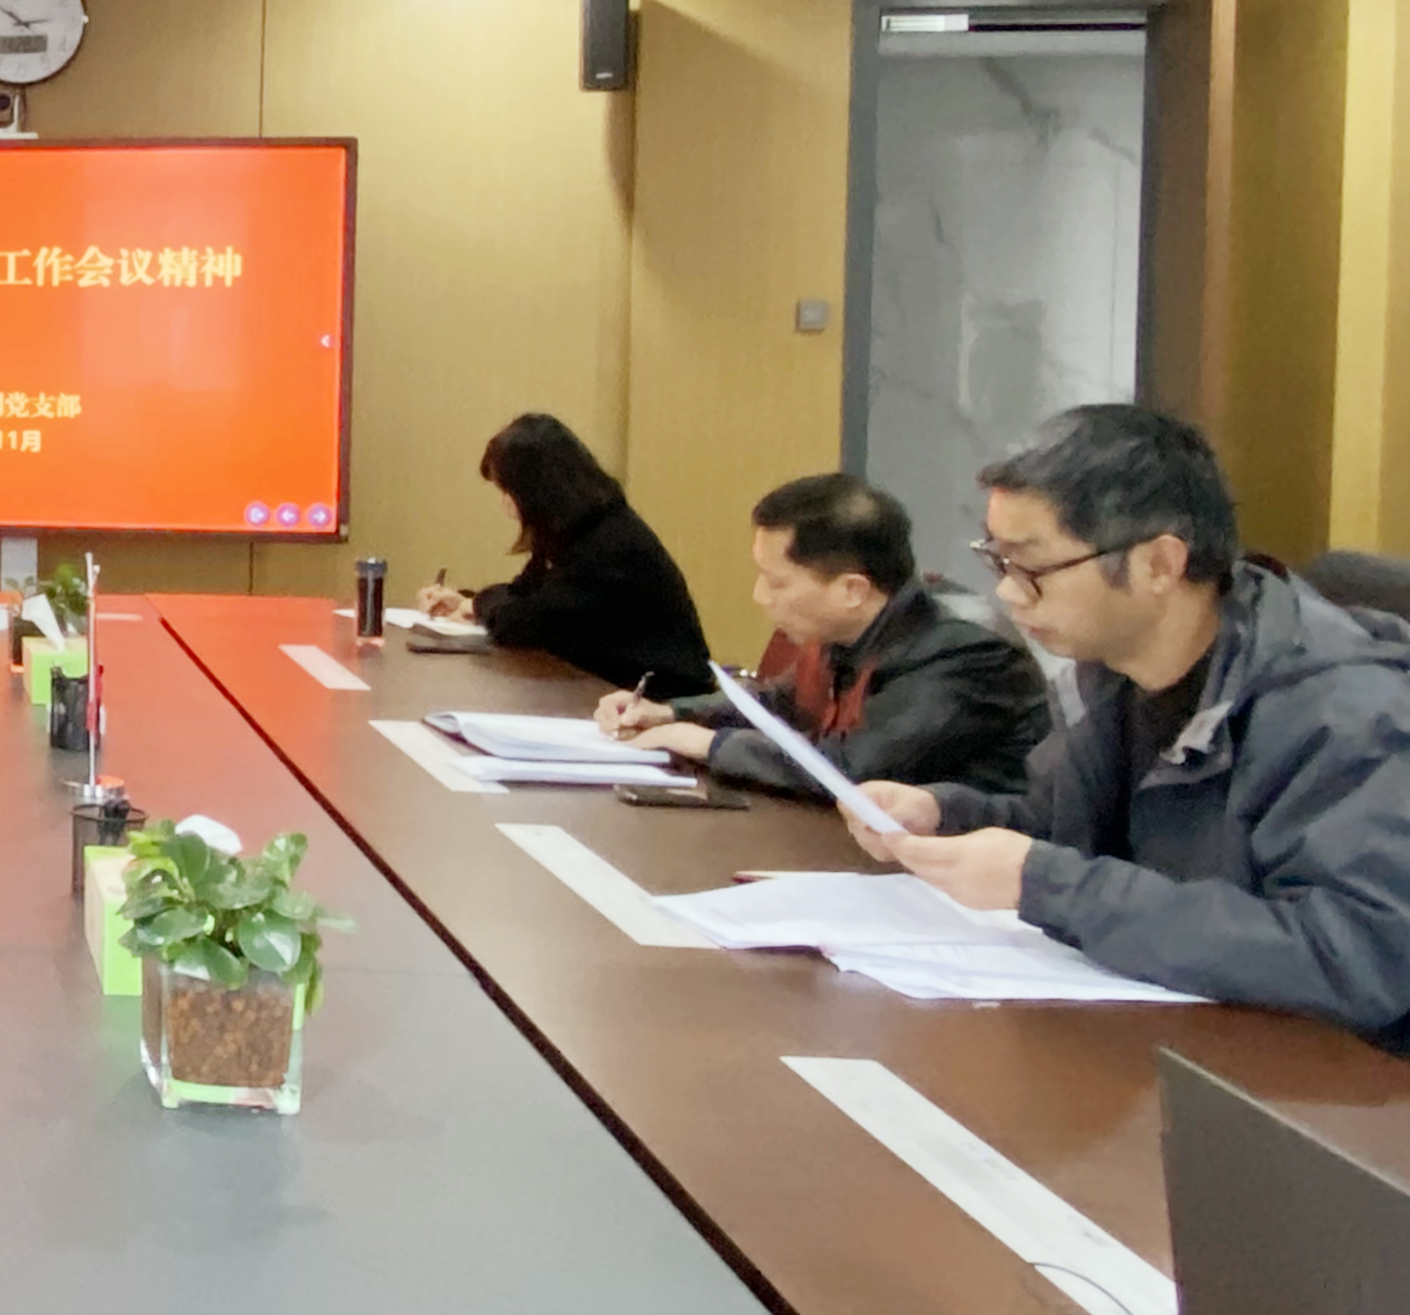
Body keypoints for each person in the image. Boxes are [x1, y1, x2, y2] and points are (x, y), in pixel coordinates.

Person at [848, 405, 1410, 1042]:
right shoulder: (1112, 673)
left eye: (1032, 568)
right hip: (1166, 1033)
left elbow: (1357, 957)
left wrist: (1049, 886)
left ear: (1159, 565)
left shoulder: (1345, 711)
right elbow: (1070, 833)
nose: (1007, 593)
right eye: (998, 561)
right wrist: (946, 816)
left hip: (1318, 1077)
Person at [597, 472, 1049, 797]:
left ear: (852, 590)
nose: (760, 596)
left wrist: (706, 743)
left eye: (777, 582)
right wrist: (670, 713)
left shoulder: (967, 655)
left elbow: (853, 769)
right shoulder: (847, 632)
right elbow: (780, 703)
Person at [417, 412, 710, 695]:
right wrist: (468, 603)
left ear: (535, 491)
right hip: (607, 687)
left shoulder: (608, 545)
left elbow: (524, 623)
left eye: (506, 491)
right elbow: (524, 593)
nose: (504, 503)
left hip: (662, 699)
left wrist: (480, 604)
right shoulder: (574, 528)